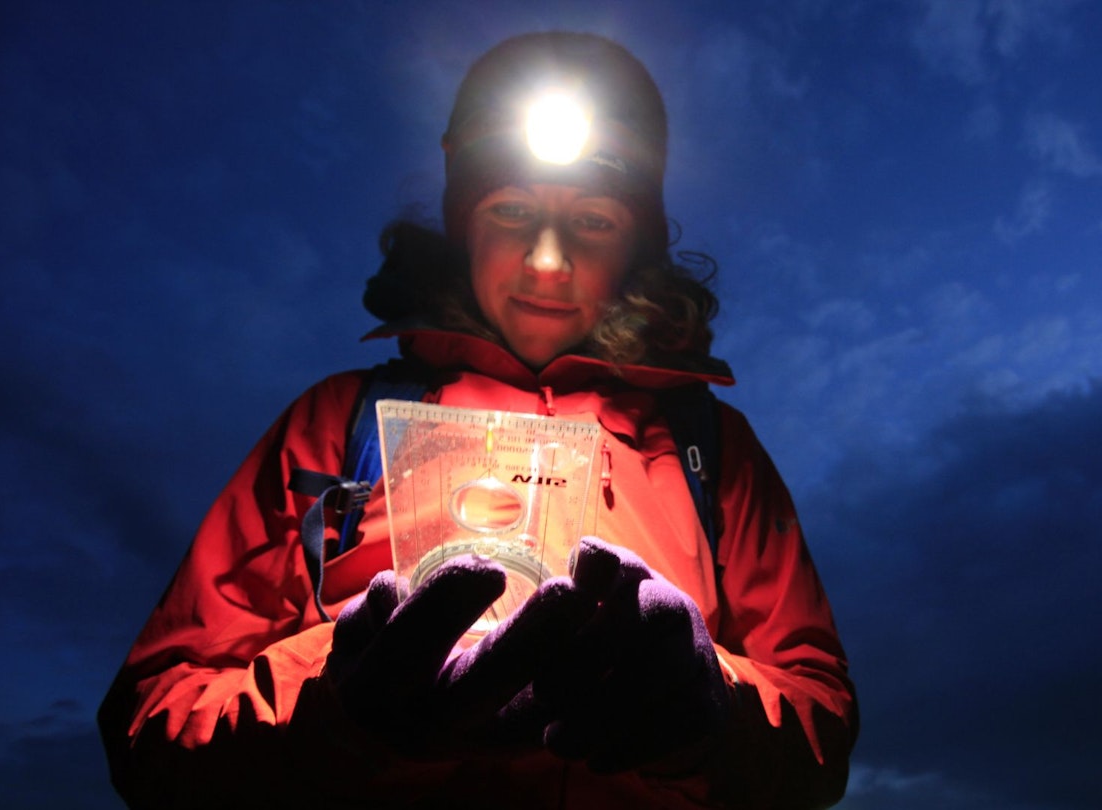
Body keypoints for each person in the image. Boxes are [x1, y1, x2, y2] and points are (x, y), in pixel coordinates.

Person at [98, 31, 857, 809]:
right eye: (514, 211)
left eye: (594, 221)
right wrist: (339, 700)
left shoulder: (713, 449)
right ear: (464, 222)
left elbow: (821, 732)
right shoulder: (338, 423)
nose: (547, 260)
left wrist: (710, 703)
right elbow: (150, 723)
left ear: (638, 243)